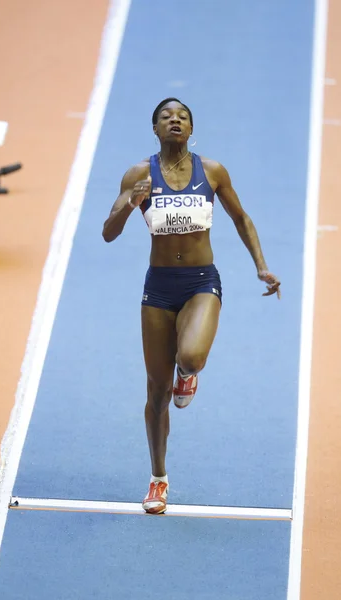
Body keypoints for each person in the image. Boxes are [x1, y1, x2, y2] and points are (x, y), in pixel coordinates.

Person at [102, 98, 280, 515]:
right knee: (156, 393)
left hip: (201, 282)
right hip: (159, 289)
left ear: (191, 128)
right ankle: (158, 479)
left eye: (182, 116)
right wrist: (130, 203)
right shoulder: (138, 175)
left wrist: (261, 267)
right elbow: (108, 233)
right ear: (155, 129)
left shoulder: (212, 172)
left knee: (192, 357)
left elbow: (241, 218)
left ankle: (188, 374)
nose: (174, 120)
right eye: (166, 117)